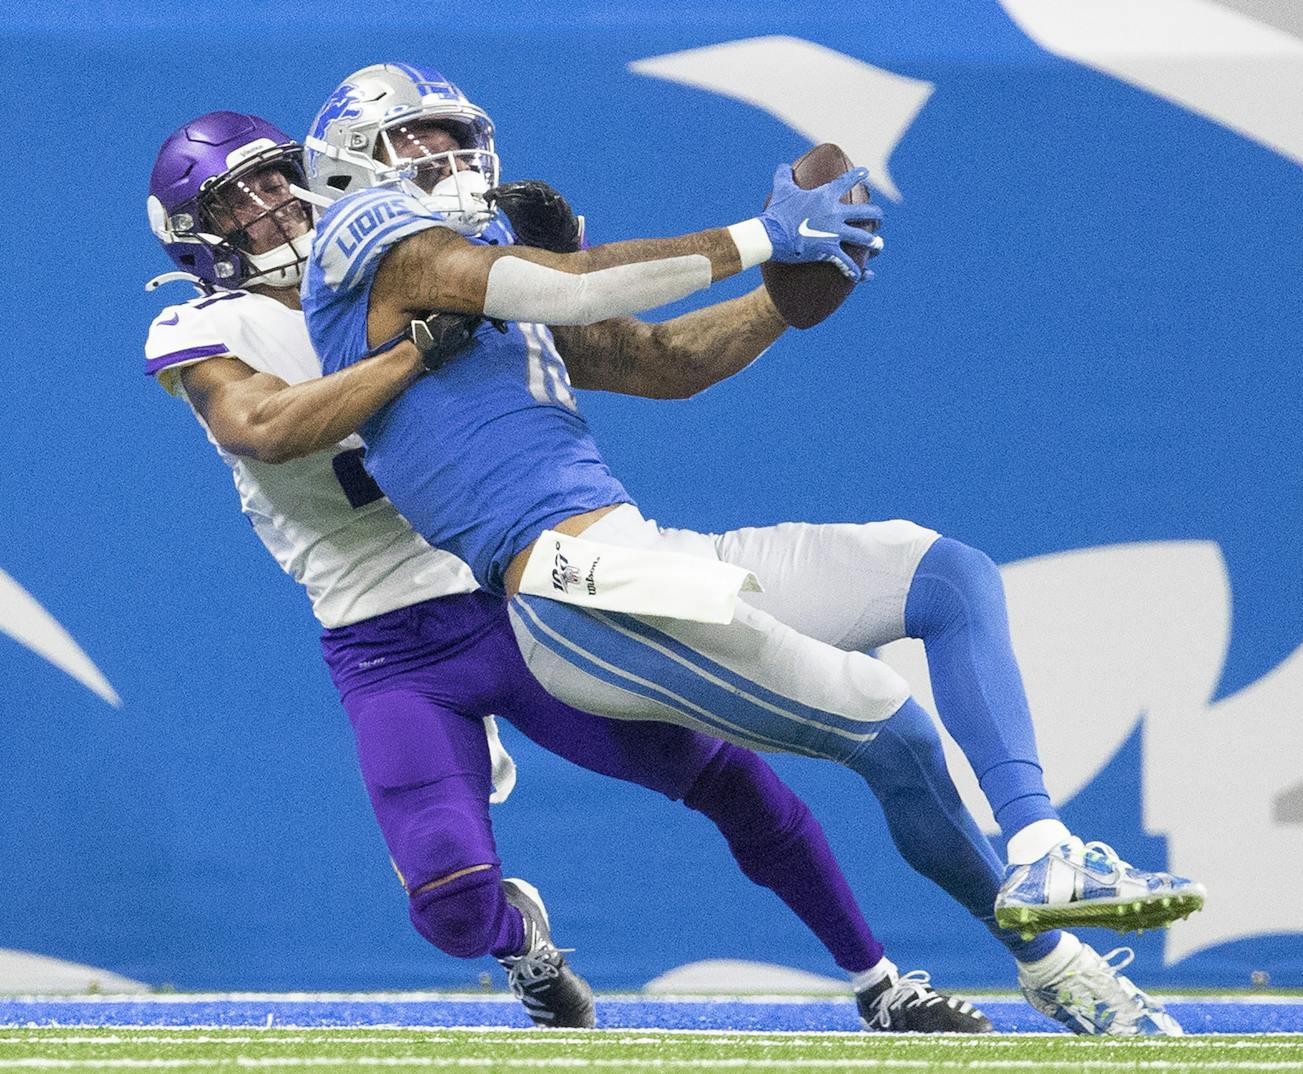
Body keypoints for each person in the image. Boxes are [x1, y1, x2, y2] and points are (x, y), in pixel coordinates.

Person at [298, 62, 1204, 1034]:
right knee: (887, 727)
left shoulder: (468, 280)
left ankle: (1043, 850)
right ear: (349, 167)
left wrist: (791, 289)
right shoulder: (362, 244)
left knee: (943, 575)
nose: (448, 156)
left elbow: (662, 363)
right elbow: (555, 288)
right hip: (572, 591)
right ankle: (1050, 960)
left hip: (632, 558)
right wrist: (763, 236)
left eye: (453, 134)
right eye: (417, 140)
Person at [144, 109, 1001, 1035]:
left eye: (277, 180)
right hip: (385, 642)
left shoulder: (420, 258)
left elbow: (653, 358)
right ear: (196, 235)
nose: (271, 207)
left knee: (728, 776)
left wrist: (781, 298)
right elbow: (267, 430)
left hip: (512, 593)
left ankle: (880, 981)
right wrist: (416, 350)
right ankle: (523, 945)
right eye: (240, 198)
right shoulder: (204, 326)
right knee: (450, 907)